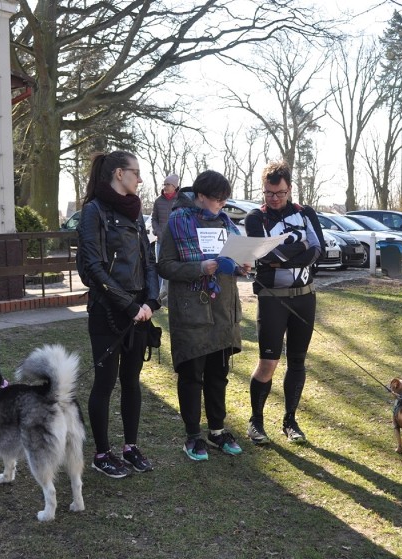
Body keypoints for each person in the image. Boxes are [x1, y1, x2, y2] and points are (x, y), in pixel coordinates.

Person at [157, 170, 251, 461]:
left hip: (222, 310)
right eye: (216, 200)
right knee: (191, 375)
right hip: (192, 311)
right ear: (200, 197)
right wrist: (200, 268)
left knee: (218, 375)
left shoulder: (225, 223)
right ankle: (192, 436)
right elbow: (165, 266)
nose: (221, 205)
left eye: (224, 200)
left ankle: (218, 431)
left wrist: (240, 267)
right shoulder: (177, 222)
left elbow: (230, 259)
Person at [78, 150, 160, 478]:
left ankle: (130, 447)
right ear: (118, 174)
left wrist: (151, 300)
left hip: (139, 311)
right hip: (108, 312)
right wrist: (128, 305)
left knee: (132, 381)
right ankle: (101, 453)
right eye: (135, 172)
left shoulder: (136, 213)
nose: (140, 179)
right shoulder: (93, 211)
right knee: (105, 382)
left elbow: (148, 260)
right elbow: (93, 267)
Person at [243, 160, 324, 445]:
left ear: (289, 189)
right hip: (271, 299)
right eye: (268, 193)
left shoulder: (305, 213)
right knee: (268, 361)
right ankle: (256, 421)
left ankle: (290, 421)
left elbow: (320, 251)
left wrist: (282, 254)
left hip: (305, 297)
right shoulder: (255, 218)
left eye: (279, 193)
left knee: (298, 361)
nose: (274, 198)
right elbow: (263, 257)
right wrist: (302, 247)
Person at [151, 173, 179, 304]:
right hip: (161, 241)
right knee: (160, 268)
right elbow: (154, 219)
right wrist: (157, 231)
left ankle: (170, 296)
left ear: (175, 186)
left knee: (173, 268)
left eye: (168, 184)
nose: (165, 186)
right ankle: (157, 297)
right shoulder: (158, 201)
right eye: (164, 184)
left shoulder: (180, 200)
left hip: (176, 242)